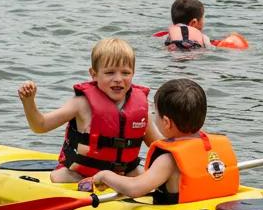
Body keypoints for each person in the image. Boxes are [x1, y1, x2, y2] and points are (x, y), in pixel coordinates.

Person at [18, 37, 161, 184]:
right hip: (81, 176)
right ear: (93, 74)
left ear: (133, 73)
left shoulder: (141, 107)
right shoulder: (81, 104)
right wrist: (29, 102)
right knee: (61, 176)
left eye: (125, 73)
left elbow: (160, 145)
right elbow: (40, 126)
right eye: (110, 72)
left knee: (144, 174)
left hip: (123, 175)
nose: (118, 79)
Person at [81, 79, 239, 205]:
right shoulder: (213, 146)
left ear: (166, 122)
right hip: (210, 205)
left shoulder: (168, 160)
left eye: (155, 114)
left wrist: (105, 176)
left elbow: (135, 189)